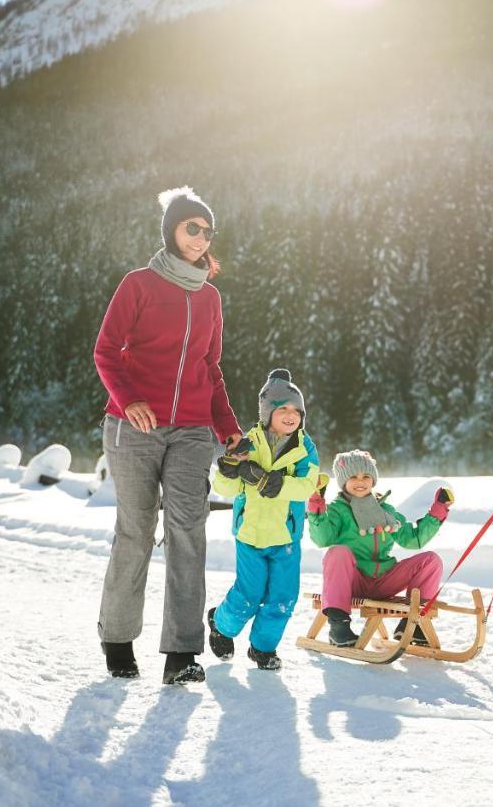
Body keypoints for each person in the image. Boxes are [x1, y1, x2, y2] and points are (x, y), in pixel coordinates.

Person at [94, 187, 242, 686]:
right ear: (171, 230)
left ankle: (181, 653)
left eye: (206, 231)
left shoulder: (211, 297)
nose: (200, 238)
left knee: (188, 533)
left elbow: (211, 368)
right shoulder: (138, 284)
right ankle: (117, 639)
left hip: (193, 431)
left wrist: (230, 430)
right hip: (133, 427)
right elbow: (107, 351)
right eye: (191, 228)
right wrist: (130, 399)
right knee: (136, 531)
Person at [206, 369, 320, 670]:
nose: (290, 415)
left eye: (296, 410)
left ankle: (262, 648)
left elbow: (309, 485)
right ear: (267, 412)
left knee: (282, 598)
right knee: (249, 594)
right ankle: (221, 624)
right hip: (251, 535)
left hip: (286, 537)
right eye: (283, 408)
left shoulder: (304, 449)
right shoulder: (248, 444)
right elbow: (225, 489)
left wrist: (278, 484)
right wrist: (229, 470)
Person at [306, 450, 452, 647]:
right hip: (353, 582)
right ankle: (339, 626)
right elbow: (322, 538)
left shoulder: (386, 511)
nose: (361, 481)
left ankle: (413, 623)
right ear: (343, 481)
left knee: (431, 560)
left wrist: (438, 511)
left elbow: (414, 540)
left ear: (373, 479)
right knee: (337, 552)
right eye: (353, 476)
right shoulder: (338, 510)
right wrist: (317, 506)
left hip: (384, 580)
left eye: (366, 476)